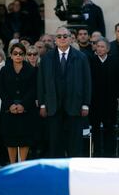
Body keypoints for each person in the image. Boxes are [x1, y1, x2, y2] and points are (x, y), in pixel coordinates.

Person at [37, 27, 91, 158]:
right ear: (55, 39)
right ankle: (57, 173)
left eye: (65, 36)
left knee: (75, 143)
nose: (62, 39)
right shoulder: (47, 58)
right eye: (59, 36)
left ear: (71, 38)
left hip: (74, 105)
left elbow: (87, 82)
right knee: (55, 143)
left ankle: (74, 172)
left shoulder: (81, 57)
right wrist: (42, 104)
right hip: (53, 106)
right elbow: (41, 82)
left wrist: (85, 104)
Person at [0, 43, 36, 163]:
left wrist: (23, 104)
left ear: (24, 55)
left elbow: (33, 89)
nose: (18, 56)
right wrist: (10, 105)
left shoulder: (31, 70)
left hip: (26, 109)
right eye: (15, 53)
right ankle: (12, 164)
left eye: (21, 53)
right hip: (9, 110)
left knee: (25, 139)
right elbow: (1, 89)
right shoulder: (4, 70)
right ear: (11, 55)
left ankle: (22, 165)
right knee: (11, 139)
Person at [89, 38, 119, 157]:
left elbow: (118, 81)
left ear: (107, 49)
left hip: (110, 102)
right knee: (95, 129)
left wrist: (118, 97)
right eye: (98, 46)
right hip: (95, 102)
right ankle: (96, 153)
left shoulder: (115, 61)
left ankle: (109, 154)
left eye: (102, 46)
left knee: (110, 128)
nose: (100, 49)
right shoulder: (90, 61)